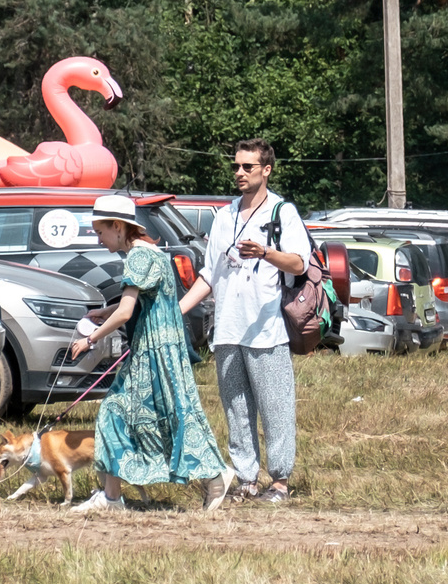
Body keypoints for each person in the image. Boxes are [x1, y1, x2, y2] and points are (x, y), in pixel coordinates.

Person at [65, 194, 235, 511]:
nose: (99, 239)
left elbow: (127, 312)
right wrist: (105, 311)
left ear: (118, 227)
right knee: (150, 413)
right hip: (159, 349)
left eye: (100, 231)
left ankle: (214, 474)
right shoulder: (150, 253)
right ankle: (113, 496)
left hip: (154, 352)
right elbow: (139, 299)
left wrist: (90, 340)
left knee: (142, 412)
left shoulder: (139, 258)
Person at [176, 139, 309, 503]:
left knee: (275, 408)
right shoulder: (224, 215)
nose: (239, 173)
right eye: (236, 166)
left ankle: (280, 482)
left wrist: (266, 253)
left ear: (266, 170)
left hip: (267, 329)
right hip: (228, 329)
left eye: (247, 167)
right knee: (236, 409)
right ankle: (247, 479)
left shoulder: (282, 212)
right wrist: (177, 311)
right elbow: (209, 274)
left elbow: (299, 263)